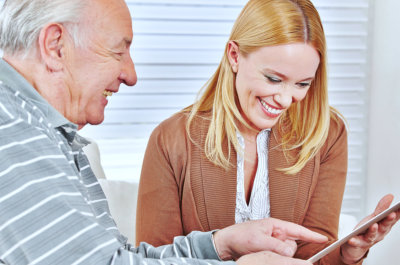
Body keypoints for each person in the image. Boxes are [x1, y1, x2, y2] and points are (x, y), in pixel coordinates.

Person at [0, 0, 331, 264]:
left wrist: (222, 245)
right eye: (118, 51)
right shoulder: (14, 134)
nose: (131, 75)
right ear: (56, 46)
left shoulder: (43, 132)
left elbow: (116, 259)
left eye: (302, 83)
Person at [136, 0, 400, 264]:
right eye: (274, 79)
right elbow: (153, 260)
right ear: (235, 56)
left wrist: (346, 253)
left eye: (302, 83)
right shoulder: (171, 140)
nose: (285, 100)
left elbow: (312, 255)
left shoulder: (327, 134)